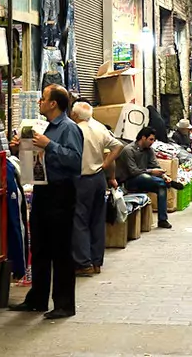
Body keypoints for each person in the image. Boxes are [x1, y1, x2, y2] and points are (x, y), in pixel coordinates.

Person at [9, 85, 83, 319]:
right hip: (43, 189)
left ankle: (64, 304)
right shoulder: (46, 127)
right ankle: (37, 299)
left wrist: (49, 144)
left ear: (53, 104)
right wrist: (20, 147)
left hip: (61, 192)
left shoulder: (68, 128)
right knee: (39, 247)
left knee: (60, 250)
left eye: (43, 99)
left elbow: (75, 160)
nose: (39, 102)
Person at [69, 101, 123, 277]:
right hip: (99, 178)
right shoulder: (99, 127)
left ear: (75, 115)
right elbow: (118, 146)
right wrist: (105, 164)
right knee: (97, 220)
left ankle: (84, 263)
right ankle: (96, 262)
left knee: (80, 221)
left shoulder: (74, 129)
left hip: (82, 179)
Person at [116, 127, 185, 229]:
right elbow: (133, 171)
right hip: (129, 181)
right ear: (143, 138)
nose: (152, 142)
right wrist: (151, 171)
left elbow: (155, 165)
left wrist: (164, 176)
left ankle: (162, 220)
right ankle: (166, 183)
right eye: (151, 139)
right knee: (145, 176)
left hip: (146, 179)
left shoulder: (149, 150)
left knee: (161, 186)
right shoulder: (129, 150)